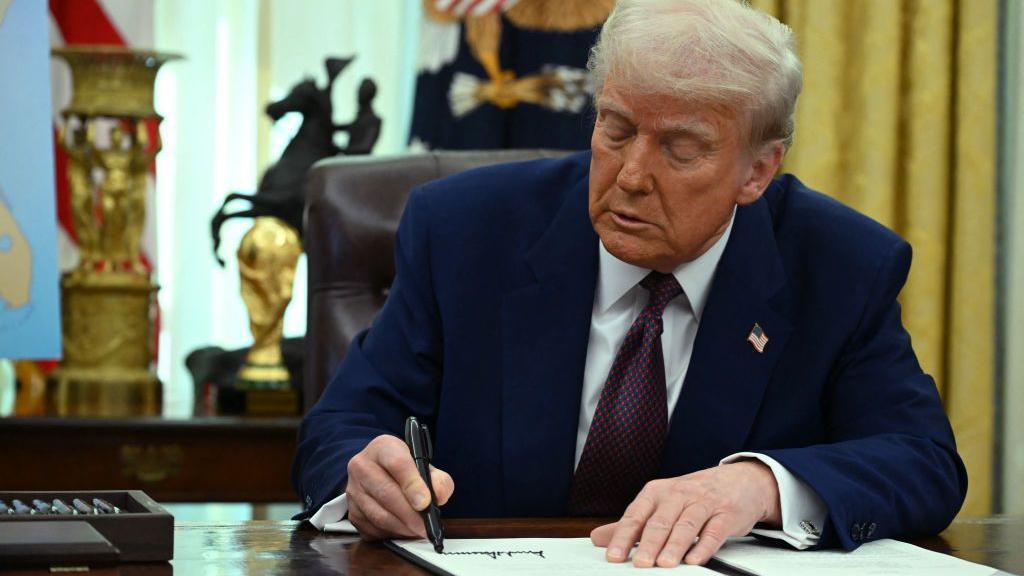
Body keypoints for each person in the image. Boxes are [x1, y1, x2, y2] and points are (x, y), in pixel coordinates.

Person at [293, 0, 967, 567]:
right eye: (615, 129)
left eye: (680, 149)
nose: (632, 174)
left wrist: (759, 484)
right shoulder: (465, 232)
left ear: (756, 172)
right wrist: (363, 478)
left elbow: (923, 463)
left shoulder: (841, 265)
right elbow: (342, 428)